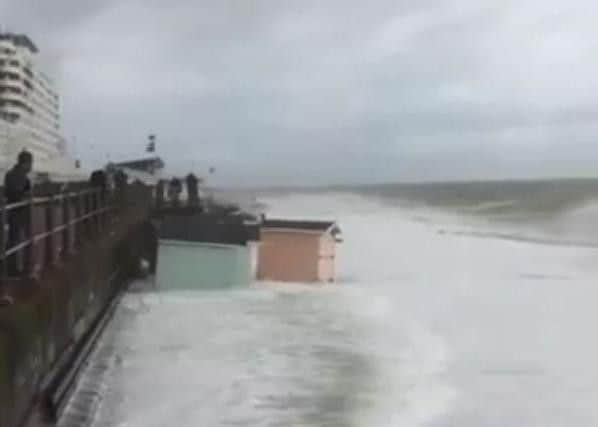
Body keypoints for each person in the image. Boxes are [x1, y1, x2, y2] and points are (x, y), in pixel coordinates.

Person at [4, 150, 33, 276]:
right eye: (31, 163)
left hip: (15, 212)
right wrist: (24, 195)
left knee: (14, 240)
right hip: (18, 212)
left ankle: (13, 267)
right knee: (15, 241)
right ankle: (12, 269)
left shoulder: (11, 175)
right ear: (25, 163)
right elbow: (20, 193)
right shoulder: (19, 176)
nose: (31, 167)